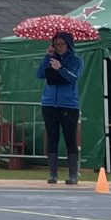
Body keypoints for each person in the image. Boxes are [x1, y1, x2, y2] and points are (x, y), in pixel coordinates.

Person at [38, 35, 80, 186]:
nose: (59, 47)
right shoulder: (50, 58)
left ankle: (73, 175)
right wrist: (47, 57)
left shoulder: (76, 61)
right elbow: (40, 74)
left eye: (62, 44)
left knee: (70, 138)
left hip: (69, 104)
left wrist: (60, 68)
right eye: (56, 44)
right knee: (52, 137)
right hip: (49, 103)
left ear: (68, 45)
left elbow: (74, 78)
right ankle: (53, 174)